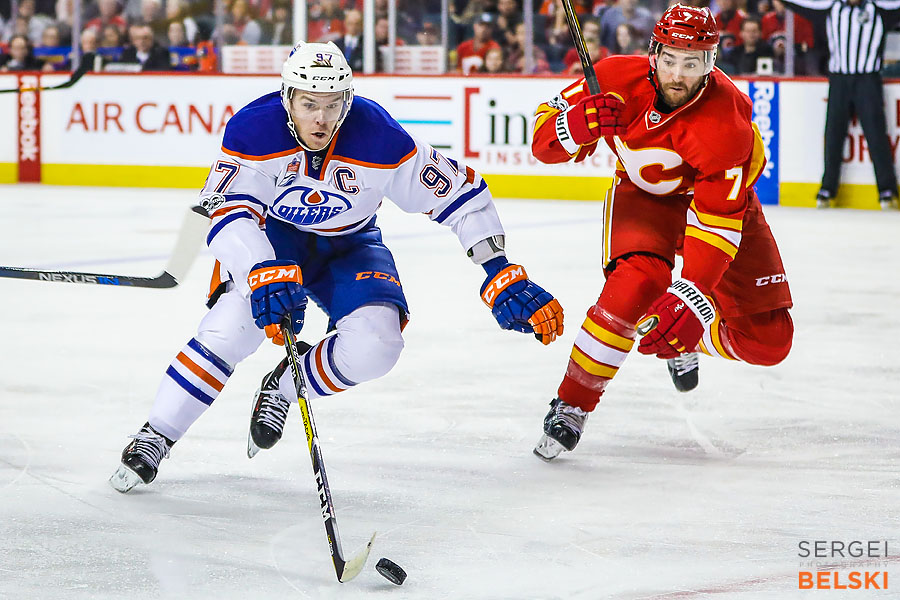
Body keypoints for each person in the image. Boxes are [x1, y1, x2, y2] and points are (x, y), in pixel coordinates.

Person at [109, 41, 564, 492]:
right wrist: (261, 268)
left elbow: (460, 195)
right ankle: (156, 434)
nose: (321, 119)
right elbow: (228, 214)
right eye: (309, 104)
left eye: (332, 104)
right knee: (231, 330)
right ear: (287, 96)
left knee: (378, 346)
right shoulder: (253, 129)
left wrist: (498, 269)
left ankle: (285, 386)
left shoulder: (379, 136)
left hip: (350, 244)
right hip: (273, 239)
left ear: (347, 98)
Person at [530, 4, 794, 461]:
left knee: (770, 341)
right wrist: (572, 127)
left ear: (711, 64)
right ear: (653, 53)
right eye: (670, 58)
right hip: (645, 195)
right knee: (635, 283)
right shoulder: (612, 77)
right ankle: (572, 403)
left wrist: (691, 299)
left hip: (721, 208)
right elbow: (541, 142)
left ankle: (681, 333)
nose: (678, 73)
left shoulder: (727, 121)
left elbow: (716, 223)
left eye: (692, 63)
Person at [780, 0, 900, 210]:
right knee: (833, 134)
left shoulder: (879, 9)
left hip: (868, 79)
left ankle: (887, 190)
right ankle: (827, 189)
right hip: (839, 81)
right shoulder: (829, 7)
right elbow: (797, 3)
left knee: (876, 135)